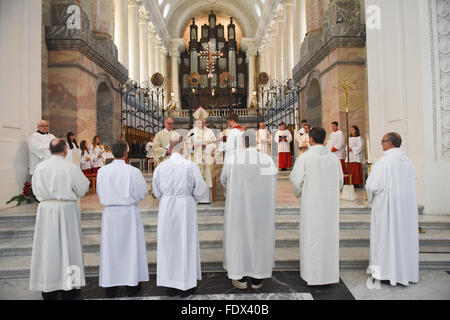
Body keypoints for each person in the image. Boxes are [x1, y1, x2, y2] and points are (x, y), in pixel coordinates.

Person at [29, 139, 90, 300]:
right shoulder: (70, 167)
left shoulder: (40, 167)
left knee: (48, 247)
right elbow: (83, 188)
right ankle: (70, 287)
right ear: (65, 150)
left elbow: (35, 190)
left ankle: (48, 287)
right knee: (70, 247)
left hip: (46, 210)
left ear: (50, 150)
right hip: (66, 209)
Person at [152, 133, 208, 297]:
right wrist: (191, 199)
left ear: (170, 148)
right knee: (186, 242)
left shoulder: (161, 167)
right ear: (182, 148)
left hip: (167, 206)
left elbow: (156, 191)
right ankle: (186, 284)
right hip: (185, 206)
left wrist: (167, 198)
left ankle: (170, 285)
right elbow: (201, 189)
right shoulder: (190, 166)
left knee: (168, 243)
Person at [220, 131, 277, 290]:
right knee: (259, 239)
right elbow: (274, 178)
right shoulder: (267, 160)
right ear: (256, 142)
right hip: (261, 208)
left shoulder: (232, 159)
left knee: (240, 239)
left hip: (239, 207)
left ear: (243, 142)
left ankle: (241, 277)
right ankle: (258, 278)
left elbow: (224, 179)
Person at [289, 127, 343, 286]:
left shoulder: (305, 158)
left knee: (311, 237)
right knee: (328, 237)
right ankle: (329, 275)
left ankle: (311, 275)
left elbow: (295, 180)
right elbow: (340, 182)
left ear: (311, 140)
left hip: (311, 206)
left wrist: (298, 192)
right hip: (329, 208)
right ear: (324, 139)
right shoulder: (333, 159)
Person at [96, 140, 149, 298]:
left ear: (112, 153)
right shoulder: (132, 171)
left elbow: (100, 192)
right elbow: (142, 191)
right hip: (128, 213)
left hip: (110, 213)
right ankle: (131, 285)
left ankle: (110, 287)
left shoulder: (102, 171)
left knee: (111, 249)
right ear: (126, 153)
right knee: (130, 248)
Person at [365, 132, 419, 286]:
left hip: (387, 208)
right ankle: (403, 272)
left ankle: (385, 271)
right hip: (405, 209)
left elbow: (372, 186)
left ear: (389, 142)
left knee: (386, 237)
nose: (381, 144)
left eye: (382, 141)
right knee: (403, 238)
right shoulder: (408, 162)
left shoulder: (384, 162)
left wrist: (370, 195)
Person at [185, 108, 217, 203]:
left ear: (205, 122)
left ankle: (206, 199)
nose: (201, 124)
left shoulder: (210, 132)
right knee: (195, 177)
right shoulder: (191, 132)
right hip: (194, 159)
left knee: (207, 177)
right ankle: (195, 199)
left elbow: (214, 143)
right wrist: (193, 147)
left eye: (203, 122)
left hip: (206, 158)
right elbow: (186, 144)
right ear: (196, 122)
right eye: (199, 122)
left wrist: (206, 146)